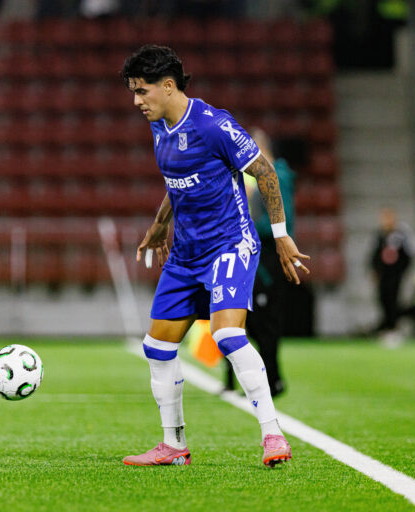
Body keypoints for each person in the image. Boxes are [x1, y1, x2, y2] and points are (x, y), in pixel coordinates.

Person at [120, 45, 309, 467]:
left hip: (229, 244)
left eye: (142, 91)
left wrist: (280, 236)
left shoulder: (213, 124)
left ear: (168, 87)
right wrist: (159, 224)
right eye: (133, 92)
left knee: (227, 335)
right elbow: (179, 181)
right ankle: (173, 445)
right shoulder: (159, 126)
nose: (136, 101)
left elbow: (264, 171)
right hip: (185, 252)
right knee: (157, 346)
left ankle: (273, 436)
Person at [223, 127, 298, 397]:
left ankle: (272, 379)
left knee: (264, 321)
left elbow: (282, 221)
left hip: (268, 260)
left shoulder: (278, 174)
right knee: (240, 318)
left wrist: (248, 225)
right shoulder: (249, 177)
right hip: (249, 257)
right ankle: (240, 379)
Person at [369, 207, 415, 335]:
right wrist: (374, 270)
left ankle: (394, 328)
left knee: (394, 300)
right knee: (383, 299)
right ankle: (386, 327)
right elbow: (374, 255)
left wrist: (402, 271)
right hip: (383, 275)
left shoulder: (401, 234)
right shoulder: (379, 235)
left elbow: (408, 254)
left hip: (395, 275)